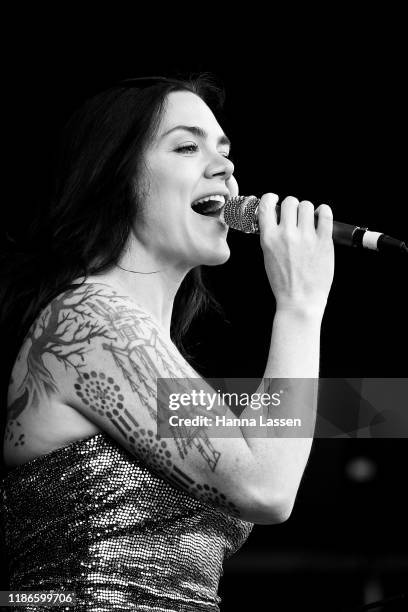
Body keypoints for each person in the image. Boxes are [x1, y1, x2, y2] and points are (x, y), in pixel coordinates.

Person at [0, 73, 334, 611]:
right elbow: (267, 487)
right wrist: (299, 306)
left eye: (226, 150)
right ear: (116, 177)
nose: (225, 167)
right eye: (186, 145)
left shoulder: (137, 338)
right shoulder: (87, 322)